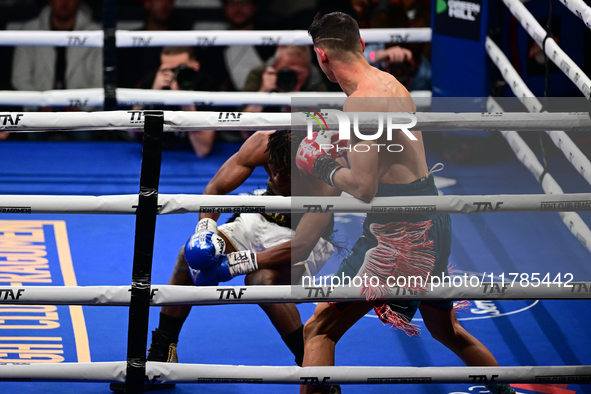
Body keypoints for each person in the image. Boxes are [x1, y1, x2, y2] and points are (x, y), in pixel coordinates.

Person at [296, 12, 516, 394]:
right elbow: (388, 159)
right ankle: (506, 392)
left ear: (321, 57)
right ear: (361, 45)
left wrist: (322, 163)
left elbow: (363, 187)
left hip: (399, 235)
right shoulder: (389, 82)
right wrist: (346, 147)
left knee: (319, 330)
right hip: (428, 219)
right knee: (446, 330)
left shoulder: (361, 103)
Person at [146, 130, 341, 372]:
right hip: (258, 219)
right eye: (273, 169)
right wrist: (205, 231)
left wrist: (236, 264)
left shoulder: (326, 170)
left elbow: (301, 246)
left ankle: (311, 365)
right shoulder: (262, 143)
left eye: (288, 174)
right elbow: (215, 189)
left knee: (261, 282)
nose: (278, 179)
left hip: (304, 236)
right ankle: (162, 352)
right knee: (188, 257)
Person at [11, 0, 102, 107]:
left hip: (84, 118)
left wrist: (80, 108)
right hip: (38, 118)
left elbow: (100, 82)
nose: (64, 2)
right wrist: (41, 105)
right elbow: (19, 79)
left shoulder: (96, 34)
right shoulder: (29, 31)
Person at [132, 46, 216, 158]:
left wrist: (186, 102)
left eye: (180, 69)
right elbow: (131, 133)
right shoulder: (155, 80)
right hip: (158, 155)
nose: (174, 75)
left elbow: (203, 150)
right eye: (169, 70)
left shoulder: (205, 85)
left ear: (195, 66)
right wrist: (151, 96)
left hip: (191, 158)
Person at [243, 45, 328, 113]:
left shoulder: (314, 83)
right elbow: (243, 130)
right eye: (285, 71)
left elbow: (317, 130)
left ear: (308, 70)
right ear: (274, 65)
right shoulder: (259, 74)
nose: (290, 77)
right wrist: (263, 92)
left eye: (297, 73)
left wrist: (294, 103)